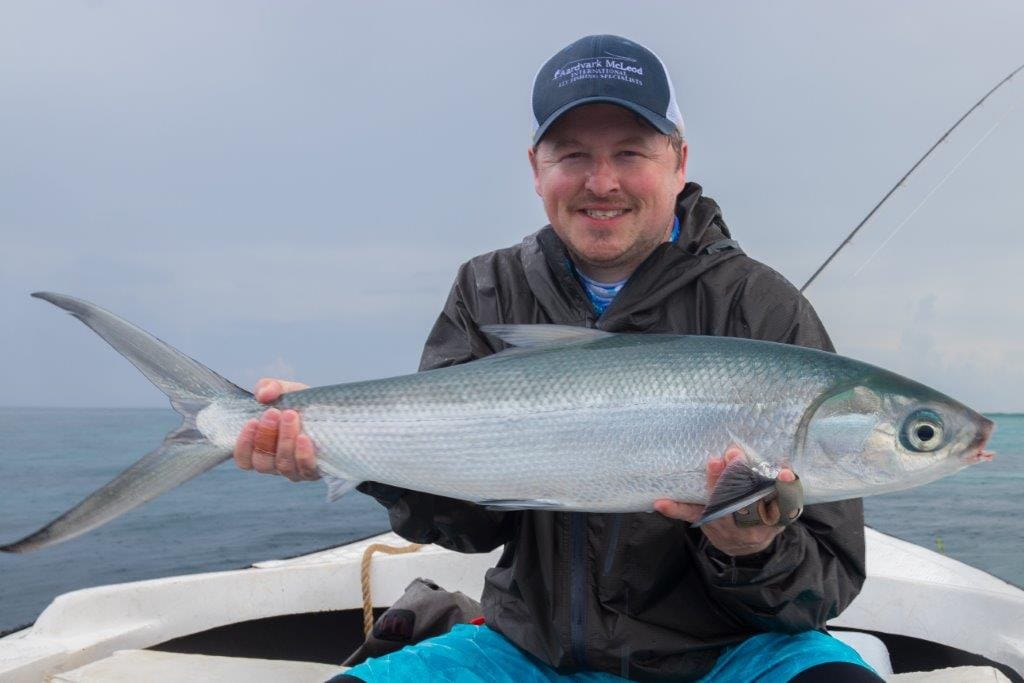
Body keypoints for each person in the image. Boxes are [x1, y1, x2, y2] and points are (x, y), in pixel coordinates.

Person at [233, 35, 879, 682]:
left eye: (630, 153)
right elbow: (469, 524)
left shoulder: (763, 309)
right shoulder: (488, 289)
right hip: (525, 652)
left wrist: (749, 548)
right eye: (573, 155)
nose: (603, 182)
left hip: (731, 655)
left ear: (679, 161)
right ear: (536, 168)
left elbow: (824, 586)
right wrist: (349, 450)